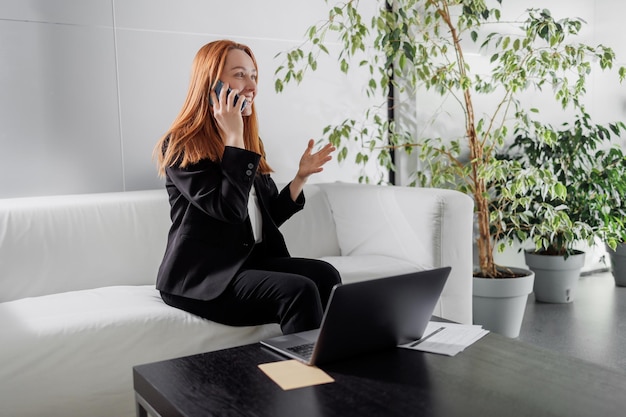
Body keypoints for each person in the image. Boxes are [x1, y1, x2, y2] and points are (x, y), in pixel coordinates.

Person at [153, 39, 341, 335]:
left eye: (254, 76)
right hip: (203, 277)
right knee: (298, 290)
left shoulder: (249, 143)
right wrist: (234, 139)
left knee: (326, 274)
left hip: (248, 263)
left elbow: (264, 219)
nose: (251, 86)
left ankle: (342, 365)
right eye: (240, 75)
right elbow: (228, 211)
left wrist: (300, 178)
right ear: (211, 83)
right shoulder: (181, 146)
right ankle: (310, 378)